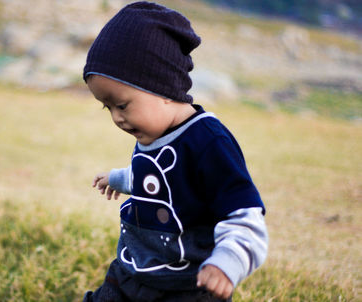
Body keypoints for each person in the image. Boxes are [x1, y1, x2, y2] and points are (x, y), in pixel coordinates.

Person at [82, 2, 268, 301]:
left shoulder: (209, 141)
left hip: (188, 285)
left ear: (163, 87)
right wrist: (117, 179)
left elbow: (244, 212)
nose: (116, 118)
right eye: (108, 108)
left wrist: (227, 263)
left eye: (122, 105)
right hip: (132, 272)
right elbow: (157, 181)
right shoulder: (152, 131)